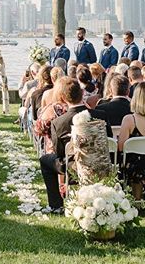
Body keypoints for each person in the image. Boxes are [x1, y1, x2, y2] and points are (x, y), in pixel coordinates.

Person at [39, 78, 110, 213]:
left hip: (74, 166)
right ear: (83, 93)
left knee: (45, 160)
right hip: (102, 162)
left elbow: (59, 152)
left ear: (63, 98)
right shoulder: (101, 115)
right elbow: (109, 139)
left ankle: (56, 205)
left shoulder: (59, 123)